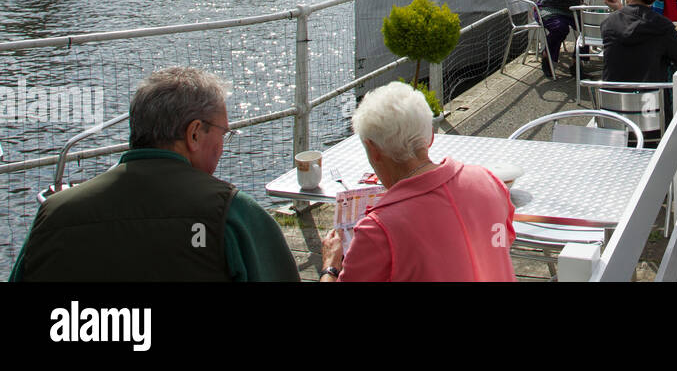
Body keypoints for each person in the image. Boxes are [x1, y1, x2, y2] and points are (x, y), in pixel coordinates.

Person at [10, 67, 299, 281]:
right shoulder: (230, 213)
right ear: (194, 134)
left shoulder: (53, 214)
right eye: (225, 132)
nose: (224, 146)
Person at [320, 82, 515, 281]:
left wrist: (330, 268)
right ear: (430, 136)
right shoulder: (489, 182)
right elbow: (499, 244)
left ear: (373, 150)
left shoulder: (378, 230)